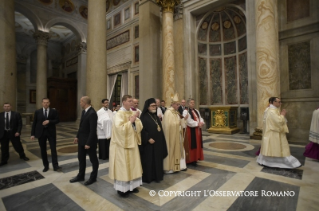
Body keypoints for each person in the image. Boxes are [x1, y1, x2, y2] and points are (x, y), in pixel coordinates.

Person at [109, 95, 143, 197]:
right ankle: (122, 189)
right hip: (121, 146)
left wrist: (134, 121)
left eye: (132, 101)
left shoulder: (132, 112)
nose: (131, 103)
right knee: (123, 167)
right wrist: (131, 122)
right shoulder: (118, 114)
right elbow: (119, 129)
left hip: (132, 144)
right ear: (123, 102)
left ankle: (132, 187)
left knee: (133, 165)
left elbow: (139, 125)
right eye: (129, 101)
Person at [257, 97, 301, 168]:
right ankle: (281, 163)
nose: (280, 103)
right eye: (278, 102)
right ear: (272, 102)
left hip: (272, 132)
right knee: (277, 149)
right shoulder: (271, 111)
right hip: (274, 133)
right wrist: (283, 115)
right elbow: (278, 121)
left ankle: (265, 161)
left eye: (280, 102)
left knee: (271, 148)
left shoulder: (270, 109)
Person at [70, 96, 99, 185]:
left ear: (84, 102)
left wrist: (88, 143)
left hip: (89, 142)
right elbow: (81, 126)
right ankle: (80, 176)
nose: (80, 104)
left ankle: (93, 177)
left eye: (80, 102)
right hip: (82, 140)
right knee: (81, 159)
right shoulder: (84, 112)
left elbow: (92, 130)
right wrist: (77, 136)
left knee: (93, 160)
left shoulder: (92, 113)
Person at [140, 98, 167, 183]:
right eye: (152, 106)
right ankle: (149, 177)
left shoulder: (156, 116)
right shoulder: (143, 117)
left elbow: (160, 129)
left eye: (155, 106)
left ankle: (157, 176)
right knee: (149, 161)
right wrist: (147, 138)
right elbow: (141, 130)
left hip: (158, 143)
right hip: (149, 144)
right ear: (147, 107)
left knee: (157, 160)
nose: (154, 107)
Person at [31, 98, 61, 172]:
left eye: (47, 102)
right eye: (44, 102)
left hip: (51, 132)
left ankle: (55, 166)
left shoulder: (53, 111)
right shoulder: (38, 112)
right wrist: (32, 134)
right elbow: (34, 123)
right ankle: (46, 166)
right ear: (42, 103)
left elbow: (57, 120)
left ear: (49, 103)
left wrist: (49, 121)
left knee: (53, 149)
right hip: (41, 133)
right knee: (43, 150)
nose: (46, 104)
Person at [162, 93, 188, 173]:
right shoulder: (168, 113)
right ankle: (170, 168)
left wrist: (183, 120)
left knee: (179, 150)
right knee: (171, 149)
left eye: (179, 104)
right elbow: (167, 125)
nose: (178, 106)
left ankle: (177, 167)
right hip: (171, 136)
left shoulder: (176, 113)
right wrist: (178, 123)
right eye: (177, 104)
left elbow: (179, 122)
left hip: (177, 135)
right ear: (173, 104)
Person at [183, 99, 204, 166]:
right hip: (191, 130)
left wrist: (201, 122)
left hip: (197, 130)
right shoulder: (185, 111)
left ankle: (196, 158)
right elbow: (189, 122)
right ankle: (190, 160)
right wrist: (198, 124)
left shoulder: (196, 111)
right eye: (191, 103)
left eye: (193, 103)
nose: (192, 104)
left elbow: (200, 117)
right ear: (188, 104)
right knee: (191, 144)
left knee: (197, 144)